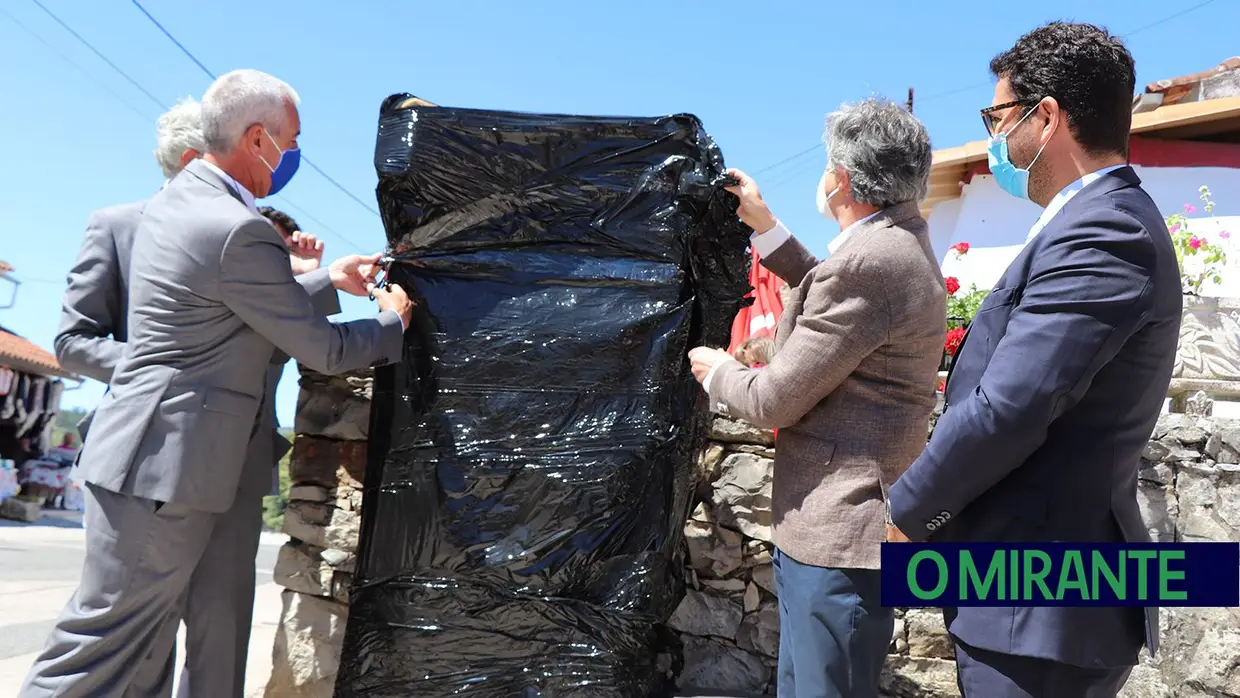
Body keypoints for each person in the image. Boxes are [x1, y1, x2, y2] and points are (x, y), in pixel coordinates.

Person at [23, 69, 413, 698]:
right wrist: (393, 323)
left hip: (185, 461)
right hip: (165, 463)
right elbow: (321, 348)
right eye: (290, 139)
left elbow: (220, 306)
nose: (294, 154)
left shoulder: (187, 204)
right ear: (257, 138)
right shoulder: (237, 226)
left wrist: (323, 281)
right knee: (100, 652)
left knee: (143, 641)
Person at [887, 22, 1181, 698]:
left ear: (1045, 118)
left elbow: (1011, 406)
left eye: (998, 118)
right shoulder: (1090, 224)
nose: (995, 138)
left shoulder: (1105, 230)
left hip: (1043, 605)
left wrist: (906, 511)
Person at [687, 97, 946, 698]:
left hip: (841, 540)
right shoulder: (895, 242)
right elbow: (824, 291)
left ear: (844, 180)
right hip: (841, 535)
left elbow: (774, 400)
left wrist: (719, 369)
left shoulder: (872, 261)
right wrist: (765, 225)